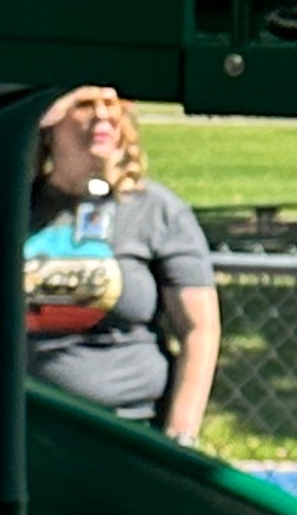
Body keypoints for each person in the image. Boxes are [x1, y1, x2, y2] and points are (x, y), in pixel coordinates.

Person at [24, 87, 222, 443]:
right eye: (84, 104)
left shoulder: (156, 210)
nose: (102, 115)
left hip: (131, 428)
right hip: (29, 428)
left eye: (112, 104)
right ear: (51, 123)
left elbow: (200, 330)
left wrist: (182, 434)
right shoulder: (17, 206)